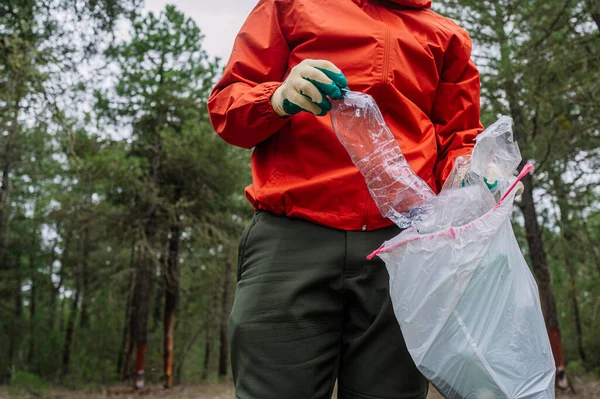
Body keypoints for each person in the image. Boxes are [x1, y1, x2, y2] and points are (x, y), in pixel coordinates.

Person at [208, 1, 483, 398]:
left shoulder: (447, 36)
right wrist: (277, 97)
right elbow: (226, 108)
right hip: (291, 240)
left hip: (404, 250)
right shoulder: (289, 6)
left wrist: (475, 175)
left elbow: (459, 138)